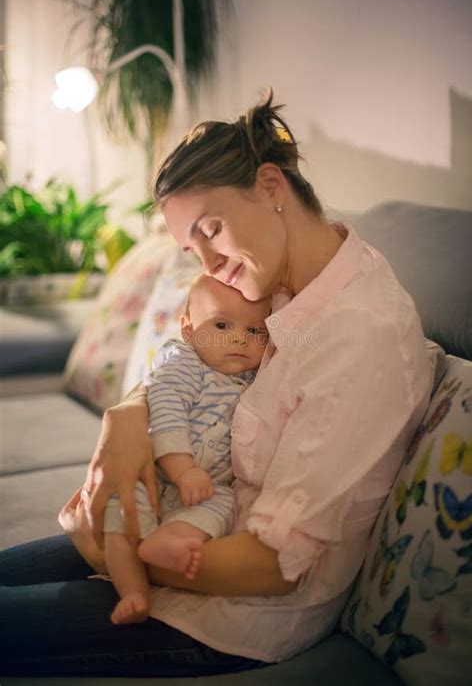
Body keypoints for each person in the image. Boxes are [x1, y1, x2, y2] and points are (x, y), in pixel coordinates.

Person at [0, 88, 435, 677]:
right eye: (190, 246)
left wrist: (105, 550)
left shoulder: (361, 336)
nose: (206, 263)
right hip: (177, 522)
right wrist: (127, 415)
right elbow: (190, 357)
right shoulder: (286, 279)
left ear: (271, 186)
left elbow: (273, 567)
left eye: (211, 228)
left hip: (226, 613)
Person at [103, 273, 270, 625]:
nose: (240, 337)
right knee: (120, 516)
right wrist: (182, 470)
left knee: (224, 504)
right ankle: (133, 590)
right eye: (222, 325)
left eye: (256, 331)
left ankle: (169, 540)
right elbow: (166, 413)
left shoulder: (252, 378)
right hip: (157, 474)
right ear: (189, 329)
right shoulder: (184, 364)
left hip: (207, 487)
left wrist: (196, 479)